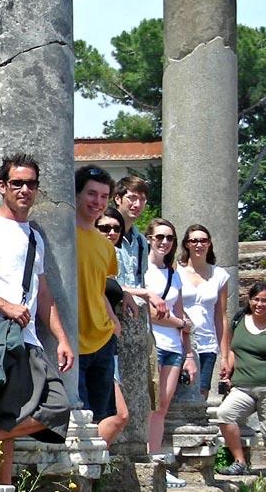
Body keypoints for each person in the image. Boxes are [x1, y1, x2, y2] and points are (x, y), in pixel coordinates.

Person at [0, 154, 72, 486]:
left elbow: (43, 292)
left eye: (30, 184)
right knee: (45, 409)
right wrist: (5, 305)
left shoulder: (34, 236)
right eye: (16, 183)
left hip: (27, 335)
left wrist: (61, 338)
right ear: (2, 186)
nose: (24, 189)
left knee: (26, 412)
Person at [216, 282, 266, 492]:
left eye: (264, 300)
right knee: (225, 414)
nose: (259, 304)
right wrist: (228, 369)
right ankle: (240, 461)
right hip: (243, 386)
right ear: (249, 300)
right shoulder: (238, 322)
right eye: (256, 299)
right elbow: (234, 350)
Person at [142, 218, 197, 473]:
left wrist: (188, 354)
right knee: (145, 403)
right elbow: (150, 313)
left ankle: (156, 461)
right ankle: (141, 457)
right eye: (159, 237)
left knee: (162, 406)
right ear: (149, 239)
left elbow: (180, 313)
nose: (164, 242)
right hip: (150, 343)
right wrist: (179, 322)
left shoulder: (174, 274)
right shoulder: (142, 270)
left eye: (170, 238)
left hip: (173, 348)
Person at [73, 166, 122, 444]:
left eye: (104, 196)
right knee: (77, 419)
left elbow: (99, 286)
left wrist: (112, 321)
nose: (98, 202)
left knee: (102, 417)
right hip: (73, 342)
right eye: (91, 194)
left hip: (102, 340)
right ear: (77, 194)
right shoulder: (63, 237)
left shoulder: (106, 247)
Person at [177, 224, 230, 399]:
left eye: (203, 241)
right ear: (186, 244)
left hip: (207, 342)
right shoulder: (176, 271)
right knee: (180, 392)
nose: (199, 245)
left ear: (209, 244)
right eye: (194, 241)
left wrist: (225, 356)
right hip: (180, 340)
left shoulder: (219, 275)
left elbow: (221, 316)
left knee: (201, 394)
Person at [95, 207, 130, 446]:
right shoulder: (89, 253)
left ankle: (93, 464)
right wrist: (112, 317)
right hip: (96, 340)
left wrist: (126, 292)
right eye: (105, 227)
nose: (111, 232)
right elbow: (95, 290)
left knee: (113, 415)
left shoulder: (109, 255)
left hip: (109, 344)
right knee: (119, 415)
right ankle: (85, 462)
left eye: (116, 228)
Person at [114, 175, 167, 318]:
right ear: (118, 199)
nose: (137, 205)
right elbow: (104, 283)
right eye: (132, 198)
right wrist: (147, 293)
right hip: (111, 315)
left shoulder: (141, 241)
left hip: (135, 318)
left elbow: (140, 282)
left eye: (142, 199)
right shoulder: (105, 235)